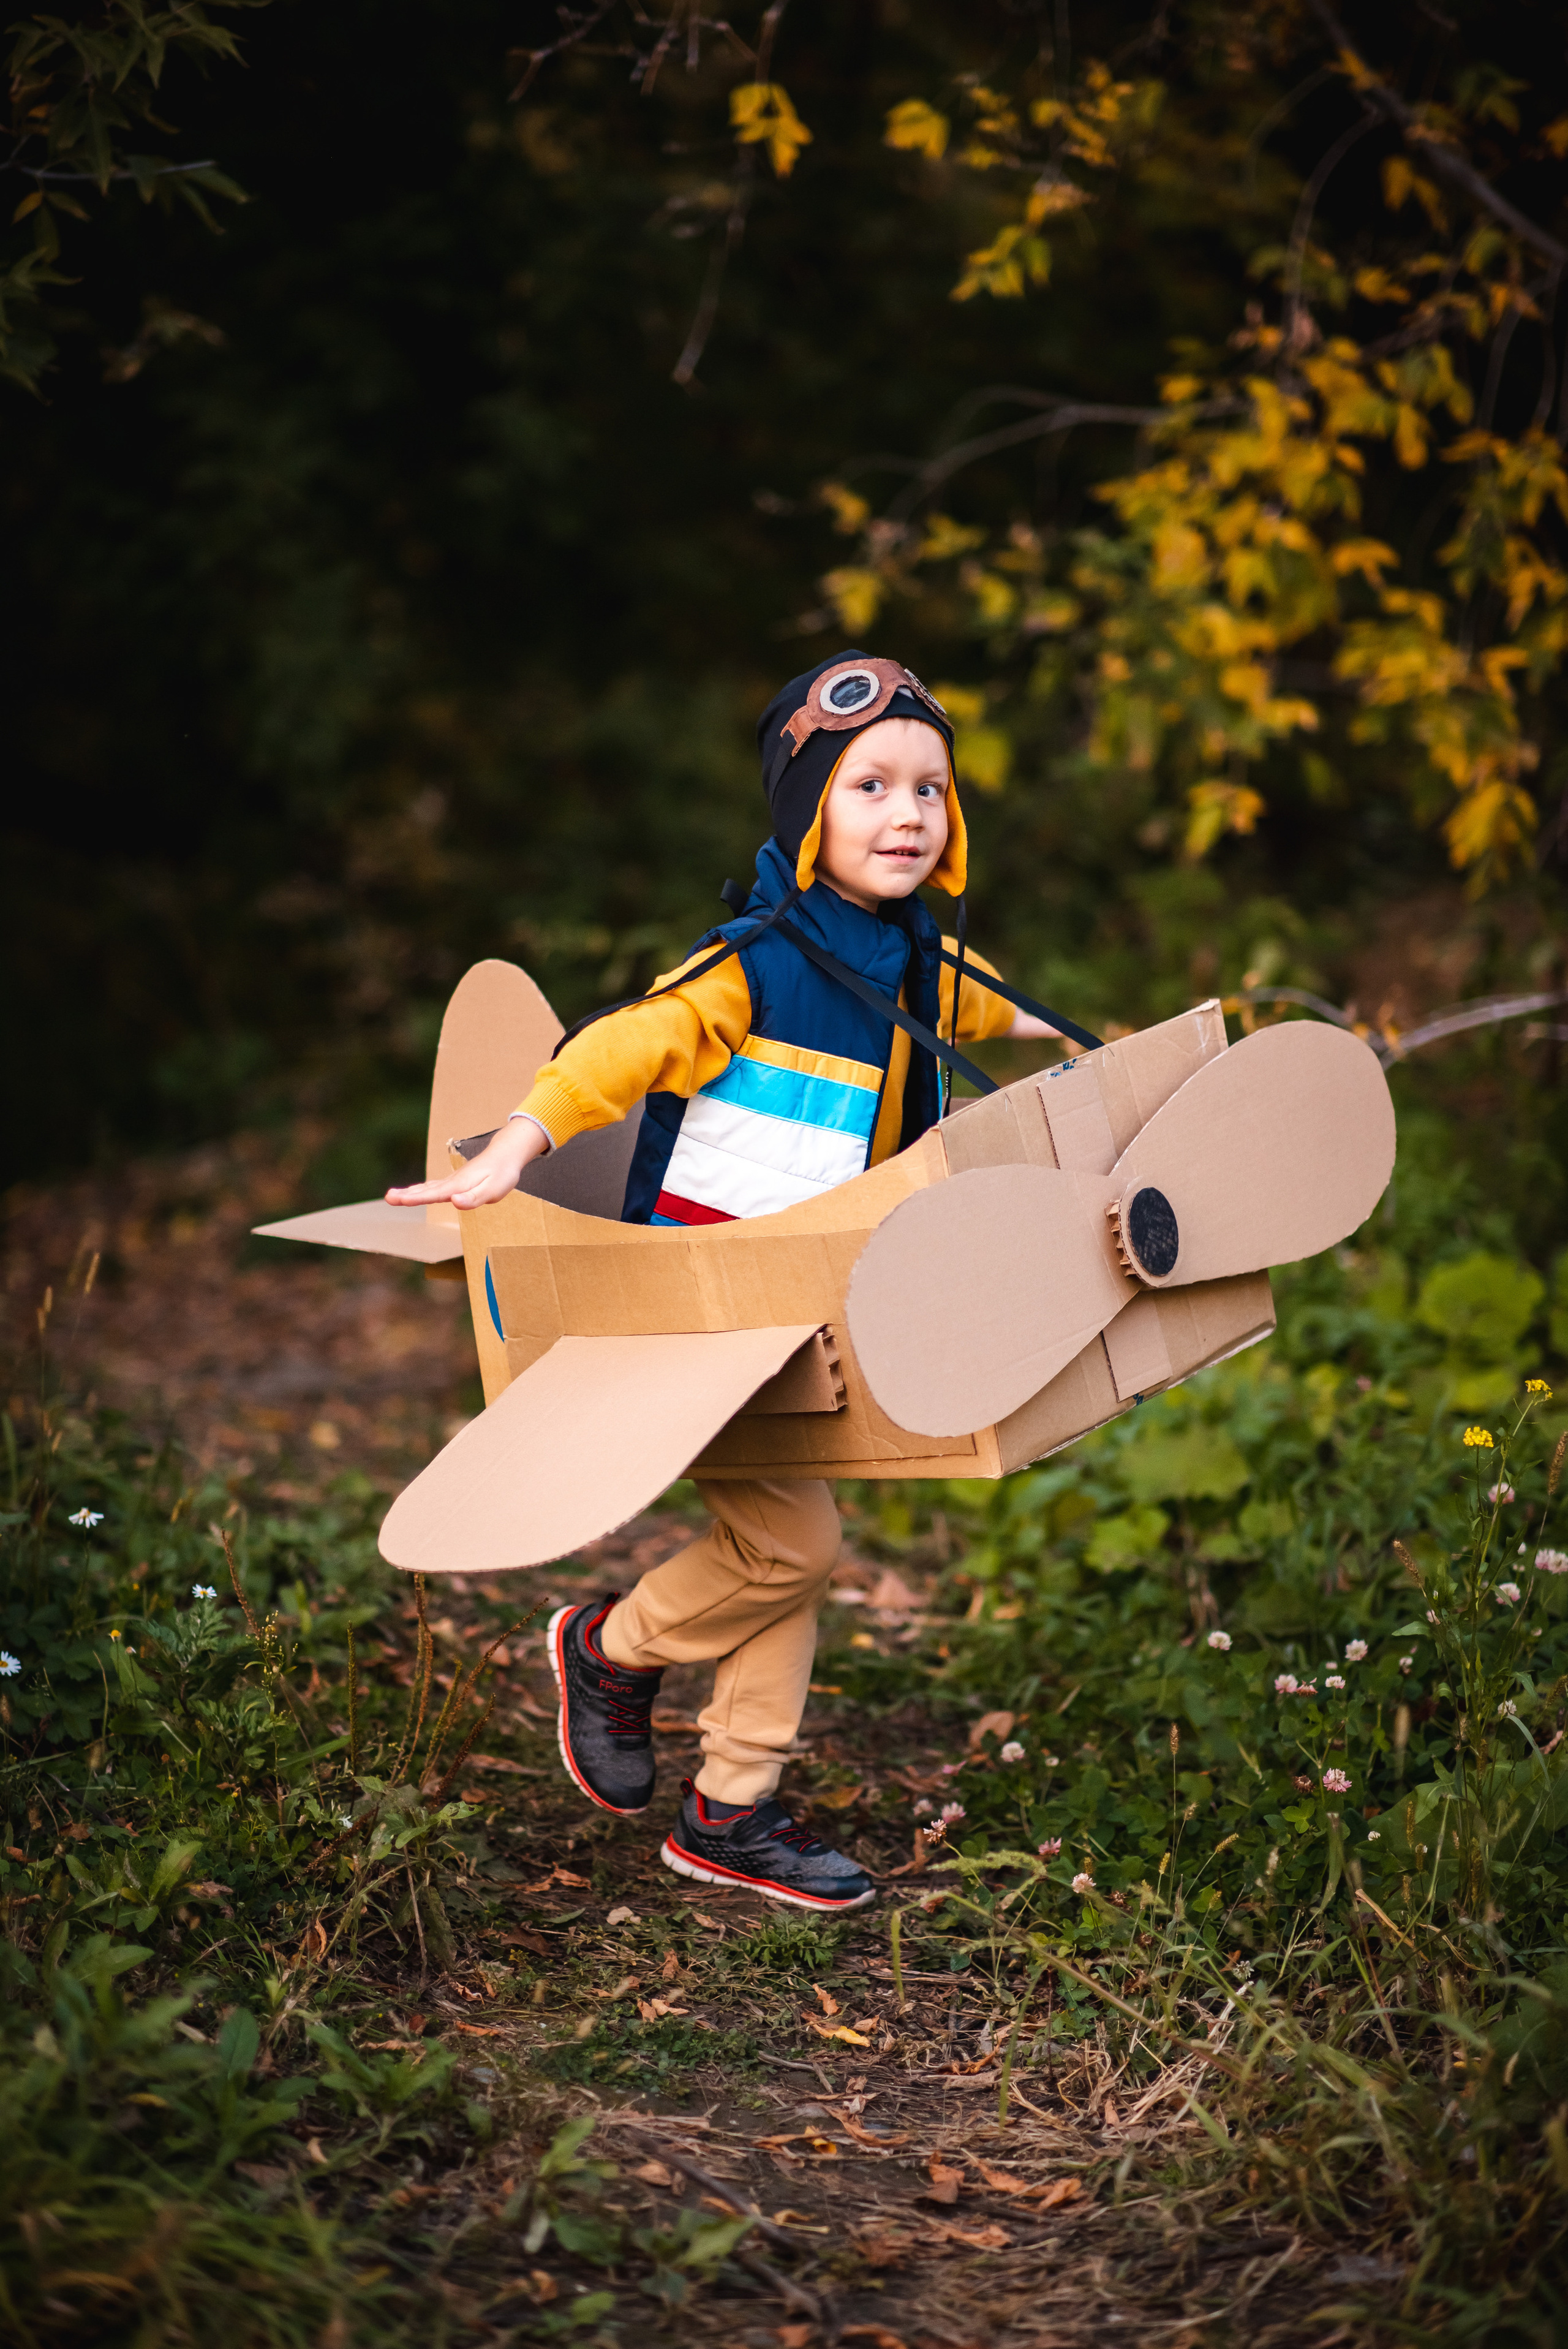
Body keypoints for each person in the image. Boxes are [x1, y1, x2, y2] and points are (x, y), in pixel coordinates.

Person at [388, 652, 1058, 1910]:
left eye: (929, 789)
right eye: (870, 787)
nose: (907, 813)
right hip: (700, 1306)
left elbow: (952, 1004)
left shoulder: (902, 955)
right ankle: (613, 1652)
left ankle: (730, 1808)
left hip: (801, 1309)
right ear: (808, 812)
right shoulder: (755, 962)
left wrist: (1073, 1039)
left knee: (783, 1545)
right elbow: (619, 1049)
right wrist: (518, 1146)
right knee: (793, 1543)